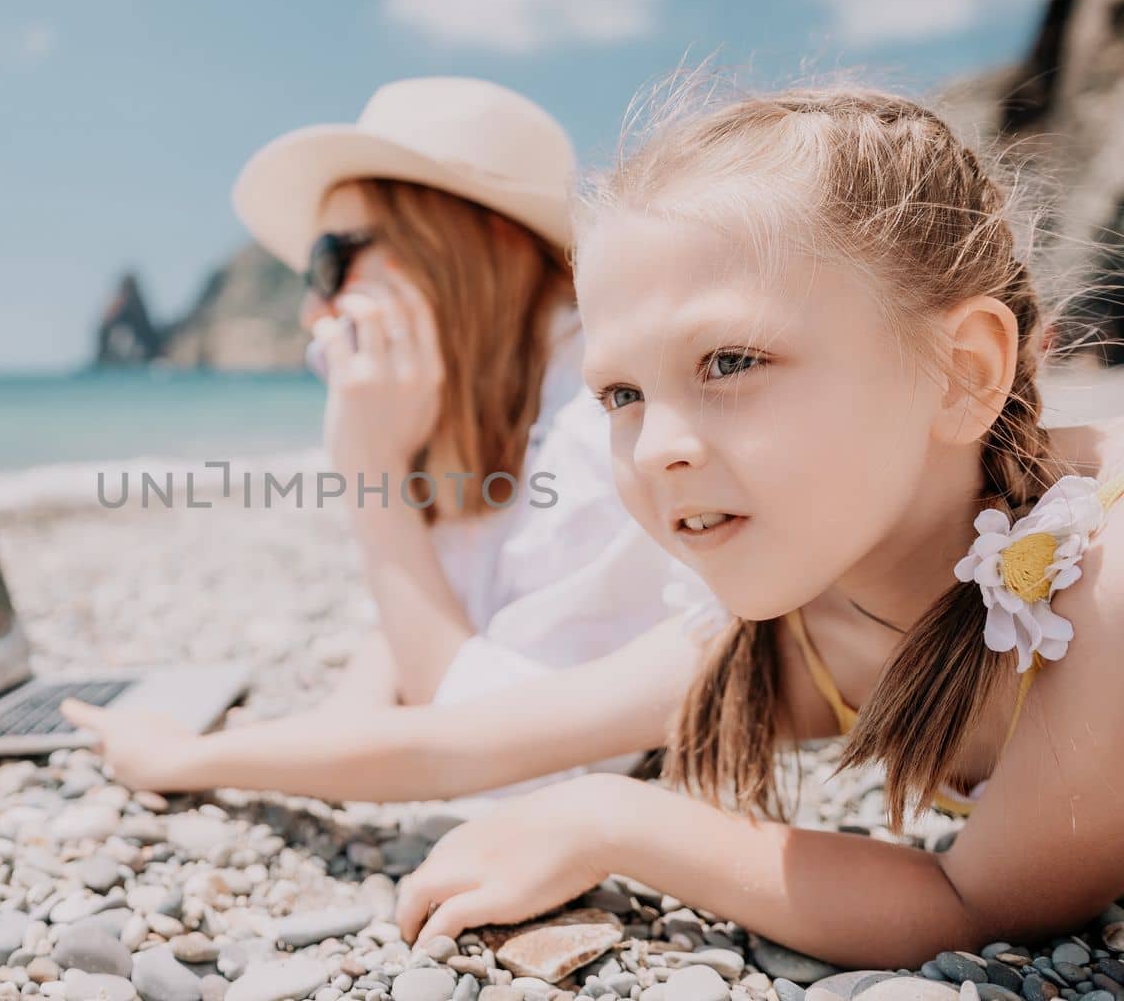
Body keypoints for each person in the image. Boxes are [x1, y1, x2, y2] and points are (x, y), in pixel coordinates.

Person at [385, 83, 1124, 966]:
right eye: (622, 394)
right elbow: (471, 738)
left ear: (962, 373)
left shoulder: (1103, 588)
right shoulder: (817, 625)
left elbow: (977, 904)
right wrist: (190, 759)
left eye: (730, 361)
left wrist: (614, 819)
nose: (657, 447)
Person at [63, 77, 692, 796]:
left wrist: (371, 472)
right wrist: (316, 741)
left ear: (477, 241)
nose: (312, 310)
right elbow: (410, 649)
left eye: (331, 263)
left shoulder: (604, 434)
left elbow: (516, 763)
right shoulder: (522, 409)